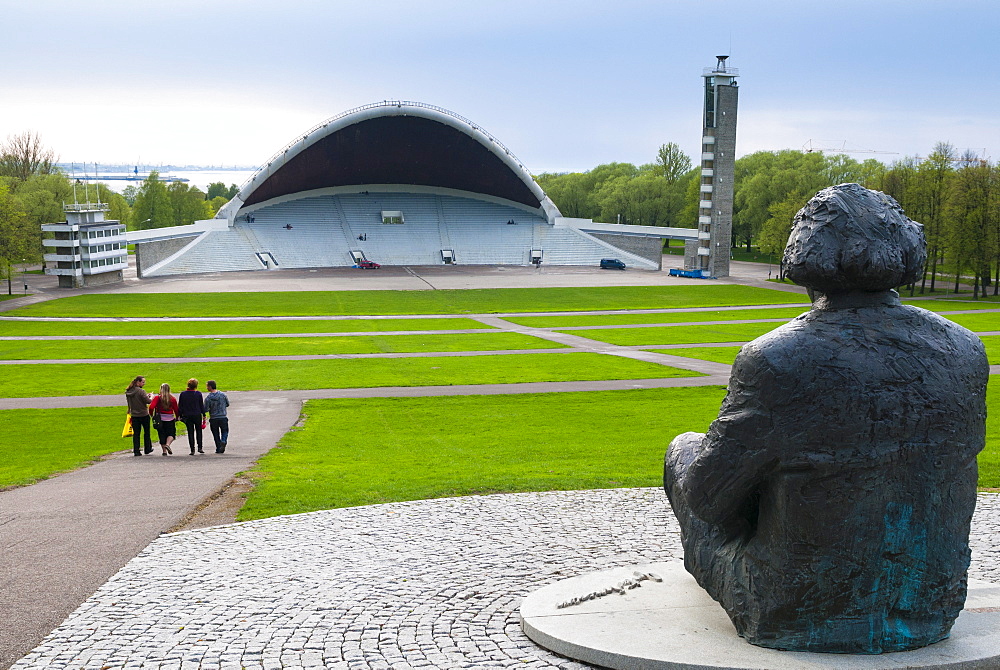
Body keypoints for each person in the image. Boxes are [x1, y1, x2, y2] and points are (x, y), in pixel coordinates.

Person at [664, 184, 988, 653]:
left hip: (794, 610)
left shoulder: (777, 359)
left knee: (683, 451)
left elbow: (707, 500)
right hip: (930, 607)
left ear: (807, 253)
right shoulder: (964, 347)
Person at [125, 375, 153, 456]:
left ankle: (136, 450)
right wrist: (151, 397)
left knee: (136, 434)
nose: (144, 384)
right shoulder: (141, 391)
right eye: (143, 382)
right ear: (138, 382)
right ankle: (147, 448)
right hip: (143, 414)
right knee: (146, 432)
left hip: (134, 414)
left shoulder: (129, 392)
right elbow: (148, 401)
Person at [148, 383, 179, 456]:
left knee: (161, 434)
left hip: (160, 419)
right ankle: (168, 444)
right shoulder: (172, 399)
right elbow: (176, 409)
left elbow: (151, 407)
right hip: (170, 418)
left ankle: (164, 451)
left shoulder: (157, 398)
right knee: (171, 433)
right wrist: (177, 417)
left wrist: (152, 415)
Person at [178, 378, 206, 455]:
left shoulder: (183, 394)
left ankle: (192, 449)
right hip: (197, 414)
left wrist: (180, 415)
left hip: (187, 415)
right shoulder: (198, 394)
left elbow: (180, 406)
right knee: (199, 431)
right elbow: (201, 405)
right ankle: (200, 447)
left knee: (190, 432)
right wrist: (204, 414)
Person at [204, 380, 230, 453]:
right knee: (225, 431)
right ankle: (223, 440)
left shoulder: (208, 398)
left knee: (215, 433)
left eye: (207, 386)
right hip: (223, 416)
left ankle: (218, 448)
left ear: (210, 387)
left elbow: (205, 408)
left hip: (213, 418)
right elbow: (227, 404)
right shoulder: (223, 395)